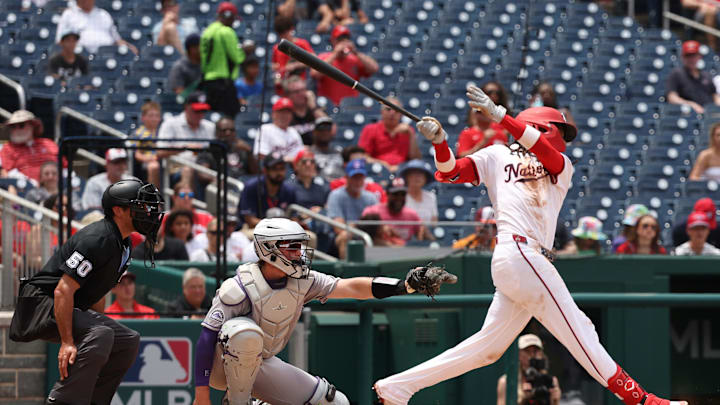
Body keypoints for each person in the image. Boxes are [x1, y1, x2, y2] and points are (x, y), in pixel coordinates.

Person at [373, 86, 687, 405]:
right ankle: (642, 400)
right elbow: (450, 173)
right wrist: (440, 143)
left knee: (487, 349)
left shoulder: (561, 165)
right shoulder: (497, 154)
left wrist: (502, 117)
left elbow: (546, 152)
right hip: (518, 252)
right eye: (560, 130)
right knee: (581, 328)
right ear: (542, 126)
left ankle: (399, 387)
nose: (563, 138)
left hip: (527, 259)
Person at [193, 217, 446, 405]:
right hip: (222, 366)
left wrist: (405, 286)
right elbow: (206, 338)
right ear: (269, 249)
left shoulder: (303, 280)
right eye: (292, 247)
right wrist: (201, 394)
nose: (299, 254)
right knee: (244, 333)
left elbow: (350, 287)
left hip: (262, 363)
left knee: (336, 403)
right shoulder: (239, 286)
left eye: (299, 247)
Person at [9, 179, 164, 405]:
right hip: (40, 304)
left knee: (128, 341)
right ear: (118, 210)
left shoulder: (124, 243)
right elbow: (63, 290)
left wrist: (97, 323)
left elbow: (98, 292)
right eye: (139, 206)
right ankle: (62, 401)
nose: (147, 212)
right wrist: (68, 342)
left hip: (66, 305)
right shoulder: (98, 238)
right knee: (101, 334)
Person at [156, 91, 215, 184]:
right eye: (196, 111)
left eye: (203, 111)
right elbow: (160, 152)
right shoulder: (170, 124)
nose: (200, 114)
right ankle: (186, 198)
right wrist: (185, 148)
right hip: (176, 169)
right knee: (188, 170)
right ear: (186, 107)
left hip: (204, 168)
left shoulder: (210, 127)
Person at [199, 1, 245, 116]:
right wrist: (245, 51)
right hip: (223, 83)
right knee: (229, 116)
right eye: (233, 18)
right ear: (228, 16)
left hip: (208, 81)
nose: (234, 23)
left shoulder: (207, 32)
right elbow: (237, 58)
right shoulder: (226, 31)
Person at [313, 25, 378, 105]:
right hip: (328, 105)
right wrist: (335, 54)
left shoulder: (354, 59)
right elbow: (315, 74)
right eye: (340, 39)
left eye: (346, 39)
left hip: (351, 106)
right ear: (333, 41)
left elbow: (374, 68)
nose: (344, 42)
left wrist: (356, 52)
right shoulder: (324, 56)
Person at [326, 158, 378, 258]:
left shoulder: (371, 197)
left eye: (360, 177)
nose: (358, 181)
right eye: (354, 177)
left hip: (367, 235)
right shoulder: (336, 195)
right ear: (347, 178)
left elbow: (377, 224)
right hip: (342, 237)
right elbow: (339, 228)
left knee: (388, 241)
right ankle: (347, 272)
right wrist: (359, 225)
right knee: (345, 236)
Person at [358, 97, 421, 171]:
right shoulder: (370, 129)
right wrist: (382, 164)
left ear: (401, 114)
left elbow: (416, 160)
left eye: (397, 110)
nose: (392, 113)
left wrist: (411, 134)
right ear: (382, 112)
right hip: (377, 171)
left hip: (402, 172)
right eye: (388, 109)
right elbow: (361, 156)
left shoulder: (408, 131)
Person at [497, 334, 562, 405]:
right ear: (518, 353)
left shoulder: (550, 381)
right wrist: (523, 399)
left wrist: (555, 401)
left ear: (541, 353)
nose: (531, 355)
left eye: (535, 351)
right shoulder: (507, 382)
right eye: (527, 351)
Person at [238, 153, 298, 229]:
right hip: (254, 229)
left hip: (282, 230)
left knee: (309, 237)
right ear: (265, 171)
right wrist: (275, 226)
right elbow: (250, 221)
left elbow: (294, 218)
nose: (279, 173)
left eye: (282, 168)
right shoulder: (251, 187)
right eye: (274, 169)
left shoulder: (289, 190)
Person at [55, 0, 138, 54]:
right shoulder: (69, 14)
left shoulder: (103, 14)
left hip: (107, 56)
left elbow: (117, 40)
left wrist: (129, 46)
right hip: (81, 57)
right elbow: (59, 41)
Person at [1, 110, 62, 183]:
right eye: (13, 126)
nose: (17, 129)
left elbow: (64, 167)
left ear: (32, 126)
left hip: (54, 186)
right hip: (23, 189)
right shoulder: (7, 148)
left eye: (21, 125)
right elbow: (5, 174)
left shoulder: (49, 144)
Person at [361, 177, 431, 242]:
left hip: (405, 254)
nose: (399, 198)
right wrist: (379, 229)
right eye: (395, 194)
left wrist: (424, 232)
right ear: (387, 194)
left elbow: (426, 236)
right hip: (379, 252)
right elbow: (360, 235)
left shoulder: (411, 215)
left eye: (402, 194)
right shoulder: (372, 212)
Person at [457, 81, 511, 157]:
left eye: (497, 92)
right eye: (489, 92)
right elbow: (462, 156)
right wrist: (483, 141)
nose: (493, 95)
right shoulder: (468, 133)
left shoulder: (503, 113)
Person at [196, 116, 258, 182]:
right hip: (219, 186)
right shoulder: (209, 150)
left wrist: (249, 152)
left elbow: (256, 173)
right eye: (224, 130)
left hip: (242, 185)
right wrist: (216, 180)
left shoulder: (243, 149)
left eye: (232, 130)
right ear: (216, 133)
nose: (228, 133)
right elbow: (202, 173)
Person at [666, 40, 720, 114]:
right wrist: (691, 105)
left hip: (709, 115)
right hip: (688, 115)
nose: (691, 59)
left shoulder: (706, 75)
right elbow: (672, 98)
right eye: (688, 56)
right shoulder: (677, 74)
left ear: (699, 56)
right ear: (682, 57)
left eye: (694, 55)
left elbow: (715, 96)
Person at [271, 15, 314, 88]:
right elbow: (274, 65)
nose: (283, 36)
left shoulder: (302, 43)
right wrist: (276, 68)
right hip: (283, 85)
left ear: (291, 29)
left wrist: (295, 65)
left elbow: (313, 60)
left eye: (285, 32)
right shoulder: (276, 48)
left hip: (299, 84)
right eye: (280, 34)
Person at [285, 75, 328, 145]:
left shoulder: (315, 109)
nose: (301, 94)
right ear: (288, 95)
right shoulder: (286, 113)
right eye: (296, 92)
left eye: (303, 90)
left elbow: (330, 129)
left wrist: (313, 107)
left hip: (318, 152)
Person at [131, 101, 162, 187]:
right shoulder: (138, 133)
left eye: (157, 116)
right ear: (143, 118)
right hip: (148, 162)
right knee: (153, 166)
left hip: (164, 160)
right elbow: (137, 155)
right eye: (151, 116)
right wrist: (150, 158)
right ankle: (153, 197)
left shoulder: (163, 132)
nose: (154, 119)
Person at [400, 159, 437, 224]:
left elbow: (434, 222)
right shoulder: (400, 196)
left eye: (421, 174)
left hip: (426, 233)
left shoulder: (431, 196)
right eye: (413, 173)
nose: (417, 177)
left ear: (426, 178)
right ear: (407, 177)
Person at [310, 116, 345, 181]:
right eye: (321, 128)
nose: (325, 132)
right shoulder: (308, 153)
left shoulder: (340, 152)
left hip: (340, 185)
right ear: (314, 132)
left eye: (328, 128)